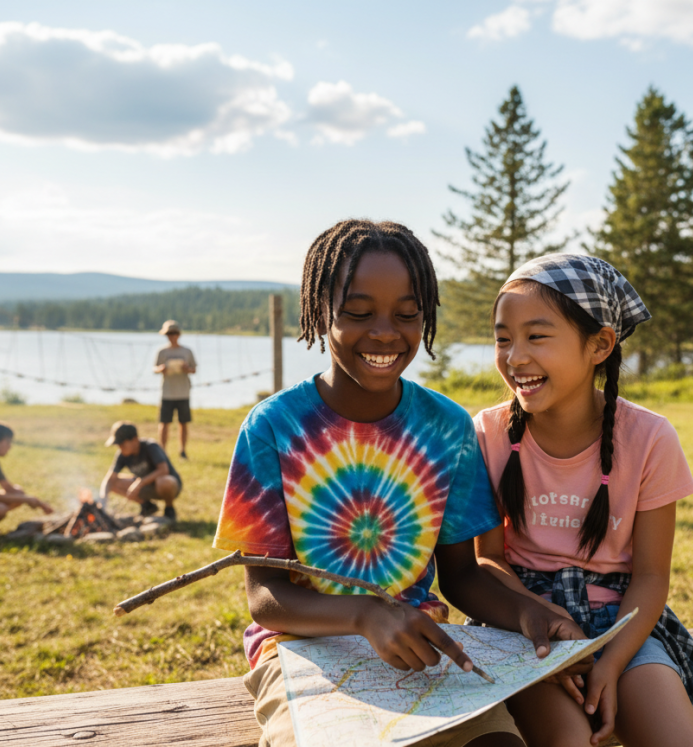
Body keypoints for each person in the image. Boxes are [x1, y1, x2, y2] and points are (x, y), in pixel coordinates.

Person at [213, 220, 588, 747]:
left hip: (423, 651)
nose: (386, 332)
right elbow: (264, 596)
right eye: (359, 312)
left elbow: (462, 576)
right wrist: (366, 614)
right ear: (320, 311)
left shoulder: (446, 427)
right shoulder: (273, 427)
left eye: (407, 314)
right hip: (301, 653)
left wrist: (528, 613)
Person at [473, 254, 693, 747]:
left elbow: (651, 576)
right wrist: (546, 623)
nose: (515, 357)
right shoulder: (487, 433)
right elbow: (488, 560)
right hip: (523, 625)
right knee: (568, 739)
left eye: (536, 336)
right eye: (503, 339)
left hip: (621, 625)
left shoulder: (649, 437)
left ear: (600, 345)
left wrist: (610, 663)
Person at [101, 421, 181, 521]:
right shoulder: (122, 454)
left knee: (164, 481)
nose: (120, 447)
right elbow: (109, 479)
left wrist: (139, 483)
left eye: (122, 443)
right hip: (145, 487)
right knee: (114, 482)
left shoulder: (151, 446)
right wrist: (102, 500)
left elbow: (163, 470)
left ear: (134, 440)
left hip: (167, 486)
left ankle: (169, 508)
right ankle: (147, 505)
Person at [154, 320, 197, 459]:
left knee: (183, 423)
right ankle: (162, 452)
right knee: (164, 423)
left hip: (183, 392)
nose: (172, 336)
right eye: (169, 334)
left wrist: (187, 369)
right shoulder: (162, 351)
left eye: (174, 333)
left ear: (178, 334)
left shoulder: (187, 351)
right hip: (167, 392)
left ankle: (182, 451)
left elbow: (194, 369)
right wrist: (161, 369)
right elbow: (155, 368)